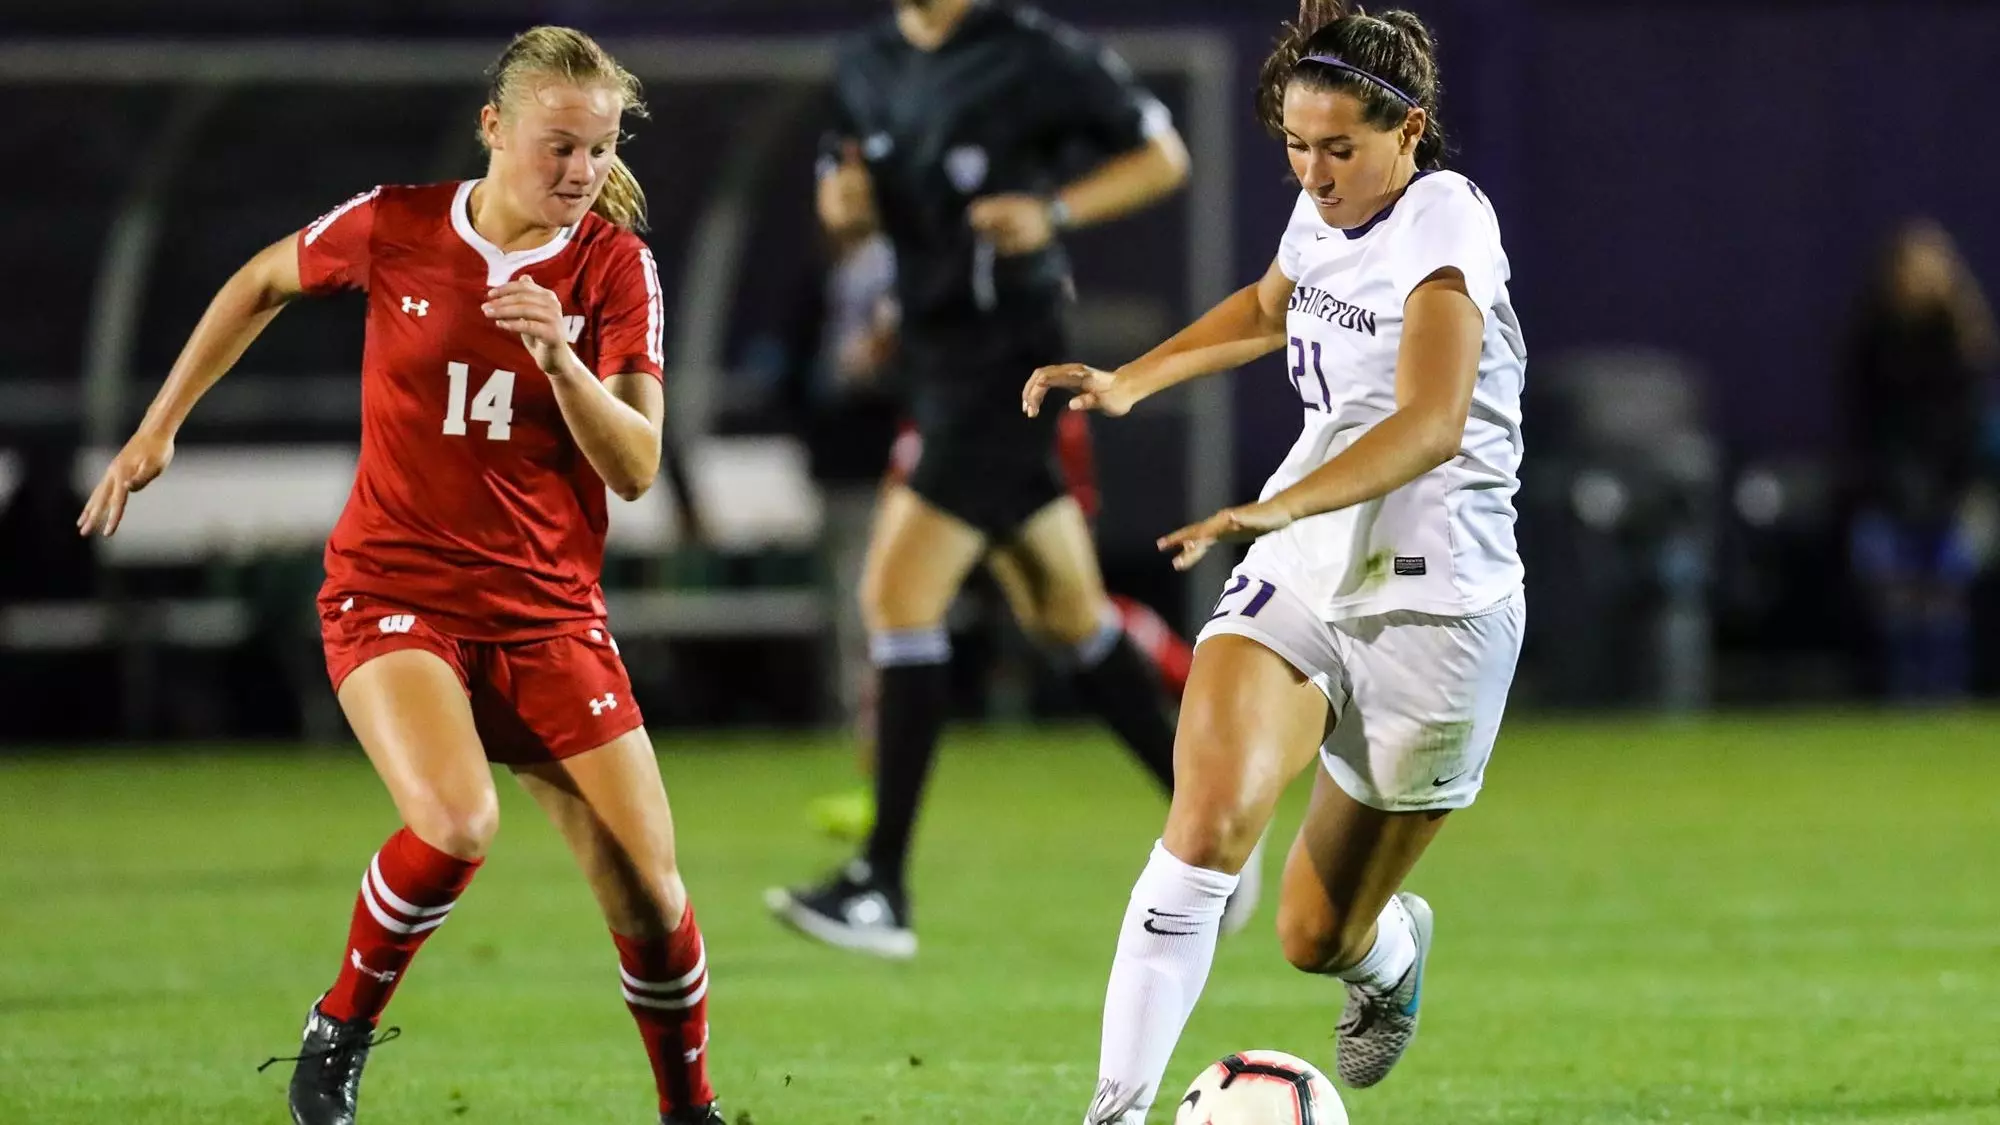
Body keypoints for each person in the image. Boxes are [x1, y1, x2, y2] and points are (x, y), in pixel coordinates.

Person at [76, 27, 721, 1125]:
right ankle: (338, 1035)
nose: (577, 174)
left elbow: (638, 466)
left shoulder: (612, 268)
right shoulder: (401, 224)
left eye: (597, 151)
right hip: (395, 595)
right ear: (493, 129)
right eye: (556, 147)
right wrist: (157, 428)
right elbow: (260, 280)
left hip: (548, 617)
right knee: (459, 820)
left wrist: (561, 359)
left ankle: (688, 1112)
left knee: (653, 900)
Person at [1022, 2, 1527, 1117]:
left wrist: (1274, 500)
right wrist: (1128, 379)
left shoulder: (1445, 221)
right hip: (1302, 565)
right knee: (1200, 827)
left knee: (1313, 933)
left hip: (1437, 608)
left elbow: (1432, 422)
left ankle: (1384, 954)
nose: (1313, 173)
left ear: (1410, 129)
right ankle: (1112, 1111)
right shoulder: (1321, 213)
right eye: (1295, 148)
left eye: (1339, 147)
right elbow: (1267, 305)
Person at [765, 0, 1205, 960]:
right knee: (1066, 616)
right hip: (930, 356)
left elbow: (1163, 156)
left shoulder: (1034, 54)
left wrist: (1053, 211)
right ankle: (1213, 824)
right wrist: (843, 205)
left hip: (1011, 361)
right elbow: (847, 185)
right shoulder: (870, 57)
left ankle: (881, 884)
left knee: (896, 593)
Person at [1843, 218, 1998, 701]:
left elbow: (1971, 423)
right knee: (1897, 594)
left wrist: (1962, 485)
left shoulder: (1963, 340)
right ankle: (1902, 692)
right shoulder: (1873, 334)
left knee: (1945, 594)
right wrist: (1885, 480)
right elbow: (1864, 417)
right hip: (1890, 485)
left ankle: (1945, 689)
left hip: (1952, 488)